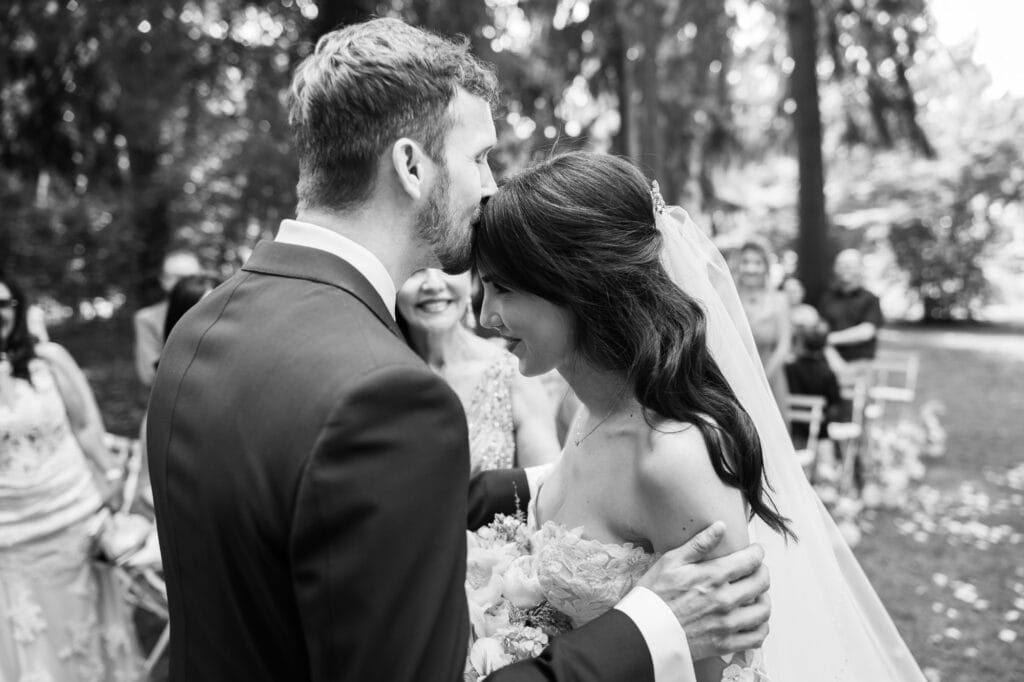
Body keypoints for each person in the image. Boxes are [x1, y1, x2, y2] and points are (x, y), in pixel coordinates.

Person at [146, 18, 770, 682]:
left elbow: (308, 515)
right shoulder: (383, 393)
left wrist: (572, 486)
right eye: (480, 158)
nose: (490, 187)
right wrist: (651, 625)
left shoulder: (202, 327)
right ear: (411, 166)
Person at [472, 152, 926, 681]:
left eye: (503, 288)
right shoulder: (585, 414)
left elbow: (719, 669)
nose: (485, 316)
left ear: (579, 283)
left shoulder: (674, 456)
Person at [0, 274, 143, 681]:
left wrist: (112, 473)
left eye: (4, 304)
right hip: (12, 539)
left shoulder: (50, 359)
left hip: (74, 520)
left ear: (17, 309)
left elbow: (84, 425)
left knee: (89, 630)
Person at [397, 267, 560, 472]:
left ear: (474, 283)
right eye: (415, 270)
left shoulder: (510, 371)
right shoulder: (381, 375)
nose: (434, 285)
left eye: (445, 268)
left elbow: (543, 483)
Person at [133, 250, 202, 388]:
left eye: (191, 278)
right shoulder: (147, 318)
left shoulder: (217, 312)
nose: (184, 284)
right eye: (177, 278)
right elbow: (149, 375)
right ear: (163, 280)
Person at [736, 242, 791, 413]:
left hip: (770, 378)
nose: (751, 268)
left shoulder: (779, 300)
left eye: (757, 263)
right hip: (735, 378)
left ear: (765, 267)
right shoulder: (727, 299)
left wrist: (762, 379)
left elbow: (784, 345)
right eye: (745, 262)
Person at [784, 315, 844, 445]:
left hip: (789, 429)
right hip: (818, 433)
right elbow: (835, 403)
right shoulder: (826, 373)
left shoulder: (789, 369)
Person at [817, 248, 884, 364]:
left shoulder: (870, 299)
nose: (844, 269)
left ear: (860, 268)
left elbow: (867, 331)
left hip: (859, 363)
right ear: (835, 268)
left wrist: (828, 339)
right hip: (827, 360)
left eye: (849, 265)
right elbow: (819, 326)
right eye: (841, 265)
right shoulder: (827, 297)